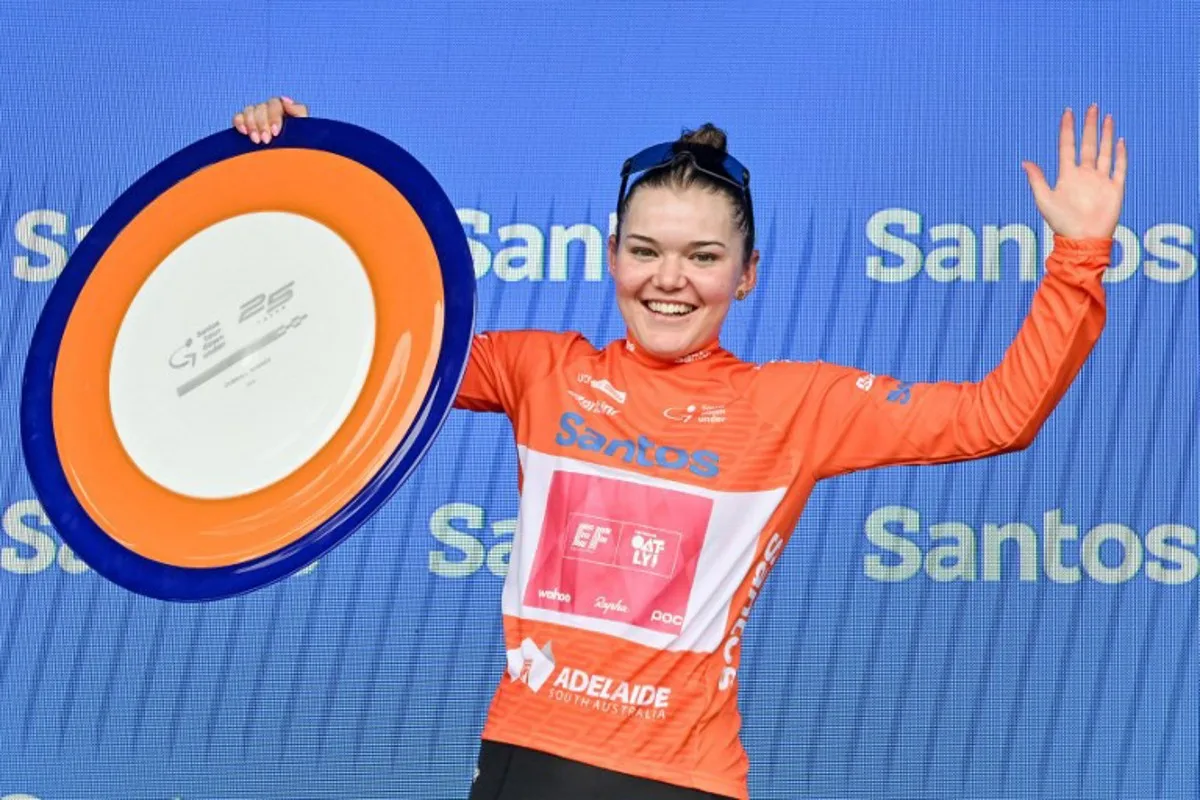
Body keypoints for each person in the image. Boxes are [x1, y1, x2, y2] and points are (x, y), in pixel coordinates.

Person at [235, 98, 1126, 800]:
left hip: (685, 777)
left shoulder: (795, 405)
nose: (670, 278)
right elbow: (355, 352)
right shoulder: (538, 370)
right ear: (610, 256)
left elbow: (997, 417)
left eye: (703, 256)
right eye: (646, 250)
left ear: (748, 273)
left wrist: (1078, 255)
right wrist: (289, 174)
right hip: (530, 753)